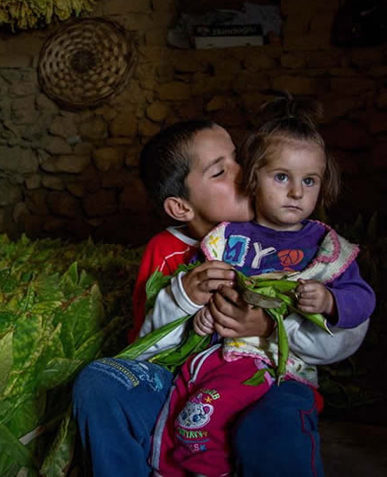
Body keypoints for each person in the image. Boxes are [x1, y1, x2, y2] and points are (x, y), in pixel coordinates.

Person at [72, 115, 369, 477]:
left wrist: (268, 327)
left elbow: (348, 322)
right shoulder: (168, 252)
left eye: (238, 158)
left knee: (273, 427)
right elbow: (149, 350)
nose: (242, 174)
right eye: (220, 171)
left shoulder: (300, 240)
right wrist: (184, 299)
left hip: (267, 381)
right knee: (100, 381)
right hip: (183, 382)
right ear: (181, 207)